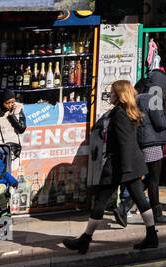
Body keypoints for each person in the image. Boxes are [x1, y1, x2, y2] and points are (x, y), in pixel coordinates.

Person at [64, 80, 156, 254]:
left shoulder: (120, 113)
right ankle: (152, 236)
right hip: (130, 164)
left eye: (113, 93)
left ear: (120, 95)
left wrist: (126, 169)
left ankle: (85, 240)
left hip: (120, 166)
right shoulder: (126, 111)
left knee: (100, 201)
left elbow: (125, 143)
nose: (110, 95)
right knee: (141, 201)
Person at [117, 54, 166, 227]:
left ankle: (125, 206)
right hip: (152, 144)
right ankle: (155, 214)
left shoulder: (138, 96)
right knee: (154, 180)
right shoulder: (154, 97)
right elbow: (160, 123)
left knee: (148, 178)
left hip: (140, 142)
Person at [0, 91, 26, 161]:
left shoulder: (18, 109)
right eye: (7, 103)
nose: (10, 105)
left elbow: (21, 129)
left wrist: (12, 116)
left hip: (13, 149)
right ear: (2, 102)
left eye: (12, 102)